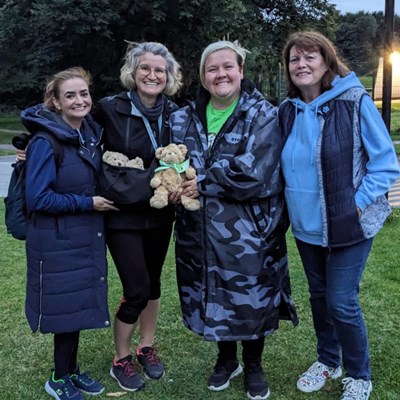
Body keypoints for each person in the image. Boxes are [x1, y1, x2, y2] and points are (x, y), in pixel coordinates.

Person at [169, 40, 298, 400]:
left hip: (249, 230)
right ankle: (226, 360)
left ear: (241, 71)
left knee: (250, 298)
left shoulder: (262, 114)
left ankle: (254, 365)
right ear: (203, 76)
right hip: (197, 231)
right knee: (212, 294)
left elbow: (256, 173)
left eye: (228, 66)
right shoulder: (182, 117)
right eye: (212, 69)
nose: (220, 74)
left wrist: (204, 181)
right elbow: (169, 162)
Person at [279, 31, 400, 400]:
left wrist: (357, 203)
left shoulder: (353, 101)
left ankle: (359, 374)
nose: (301, 65)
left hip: (349, 224)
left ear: (327, 61)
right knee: (318, 296)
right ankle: (328, 361)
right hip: (305, 227)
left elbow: (385, 164)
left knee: (341, 302)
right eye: (294, 59)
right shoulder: (287, 110)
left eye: (309, 57)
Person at [21, 67, 118, 400]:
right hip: (56, 239)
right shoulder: (45, 142)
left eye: (84, 93)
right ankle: (58, 378)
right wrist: (87, 202)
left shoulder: (87, 134)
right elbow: (37, 198)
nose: (80, 100)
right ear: (56, 102)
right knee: (64, 308)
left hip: (81, 237)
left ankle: (70, 372)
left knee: (74, 306)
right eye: (70, 95)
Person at [92, 42, 182, 392]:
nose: (152, 75)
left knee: (154, 284)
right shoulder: (109, 108)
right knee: (137, 288)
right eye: (145, 68)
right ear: (133, 71)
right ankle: (121, 359)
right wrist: (31, 145)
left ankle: (146, 347)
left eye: (160, 70)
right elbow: (74, 136)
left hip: (160, 212)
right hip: (121, 213)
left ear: (169, 76)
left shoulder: (175, 113)